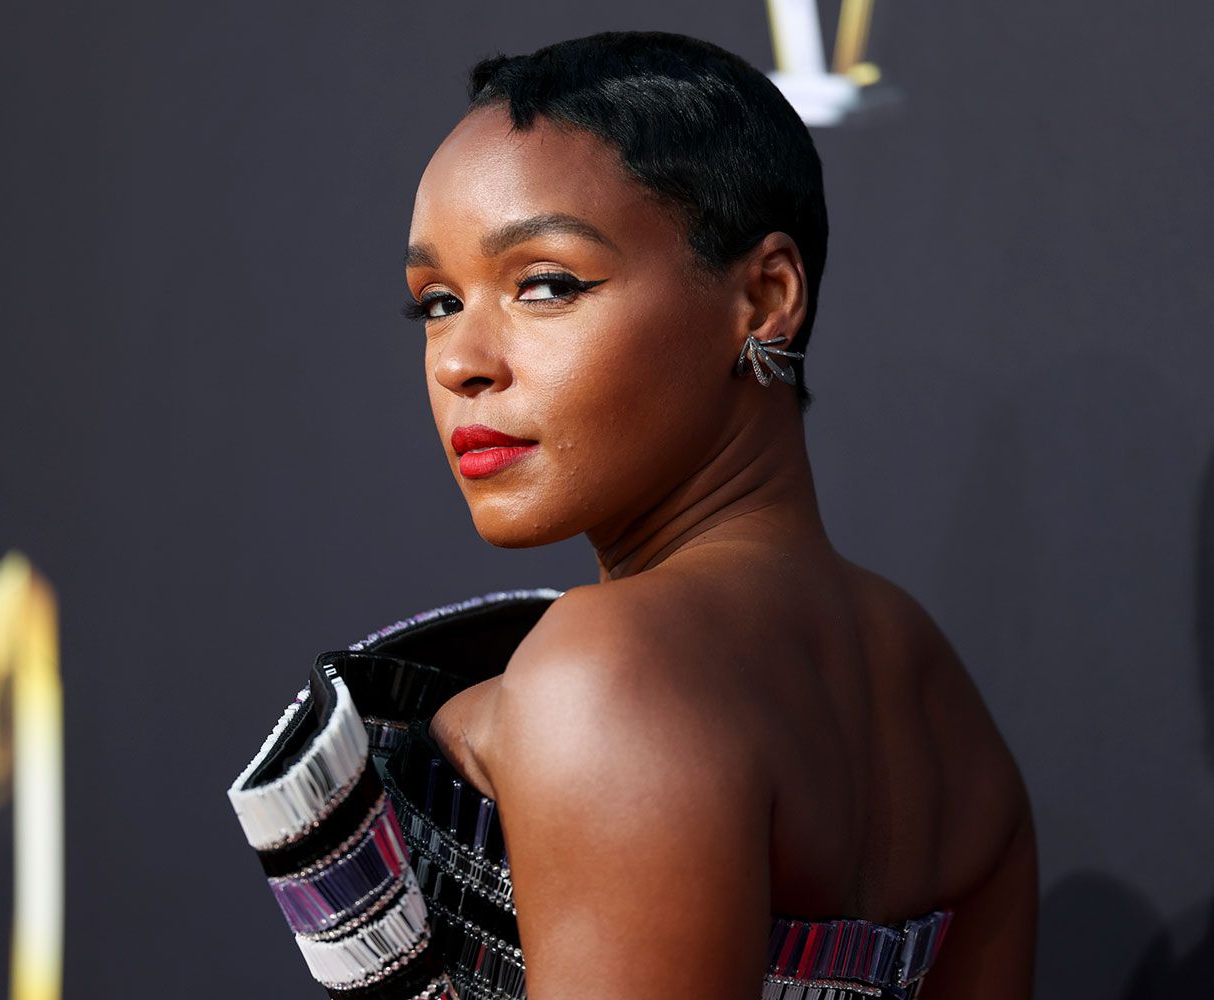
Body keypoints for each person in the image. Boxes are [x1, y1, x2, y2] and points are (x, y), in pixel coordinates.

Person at [228, 29, 1036, 1000]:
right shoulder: (942, 704)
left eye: (546, 284)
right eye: (436, 301)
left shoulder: (606, 670)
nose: (460, 361)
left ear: (766, 298)